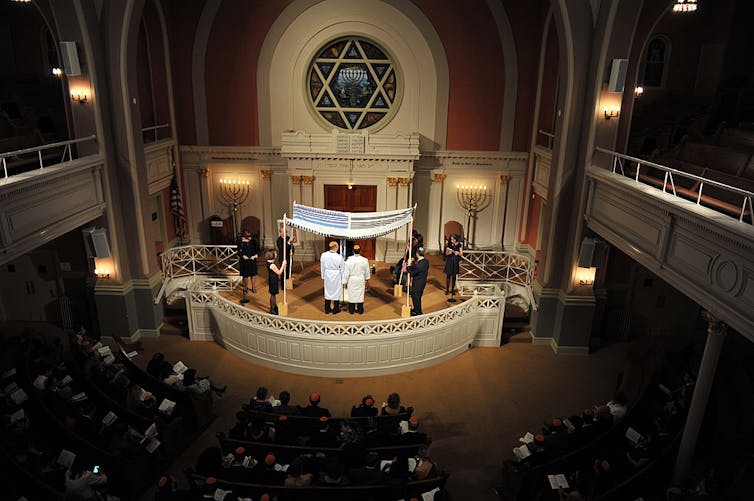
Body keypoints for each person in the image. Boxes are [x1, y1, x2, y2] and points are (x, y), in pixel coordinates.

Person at [343, 244, 370, 314]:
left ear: (353, 251)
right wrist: (367, 279)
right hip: (360, 279)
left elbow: (346, 272)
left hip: (352, 279)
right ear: (360, 251)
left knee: (351, 294)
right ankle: (360, 310)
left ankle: (351, 310)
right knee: (360, 295)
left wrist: (344, 282)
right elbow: (367, 271)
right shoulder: (364, 260)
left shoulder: (349, 260)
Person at [320, 241, 344, 314]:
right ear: (336, 247)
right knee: (336, 291)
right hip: (336, 275)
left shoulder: (324, 255)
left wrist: (323, 275)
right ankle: (335, 309)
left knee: (327, 291)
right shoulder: (339, 256)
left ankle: (327, 309)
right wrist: (343, 279)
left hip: (327, 274)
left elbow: (322, 266)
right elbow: (342, 268)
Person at [237, 230, 259, 302]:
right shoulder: (240, 241)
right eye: (248, 237)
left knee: (253, 274)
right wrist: (242, 256)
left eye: (250, 237)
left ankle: (253, 287)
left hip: (252, 259)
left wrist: (256, 255)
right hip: (244, 260)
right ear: (244, 236)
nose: (249, 238)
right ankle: (245, 288)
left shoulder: (253, 241)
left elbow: (258, 249)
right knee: (245, 275)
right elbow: (238, 251)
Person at [407, 247, 429, 315]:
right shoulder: (426, 261)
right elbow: (417, 268)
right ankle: (416, 309)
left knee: (415, 297)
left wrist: (408, 265)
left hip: (417, 283)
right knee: (417, 297)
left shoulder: (419, 265)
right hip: (422, 282)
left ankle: (418, 313)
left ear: (417, 254)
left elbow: (412, 272)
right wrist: (413, 263)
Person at [265, 249, 286, 315]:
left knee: (273, 294)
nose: (276, 254)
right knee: (273, 295)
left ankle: (274, 306)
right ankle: (272, 308)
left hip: (272, 279)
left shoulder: (269, 262)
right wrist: (283, 265)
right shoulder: (272, 265)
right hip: (273, 280)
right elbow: (279, 272)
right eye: (275, 253)